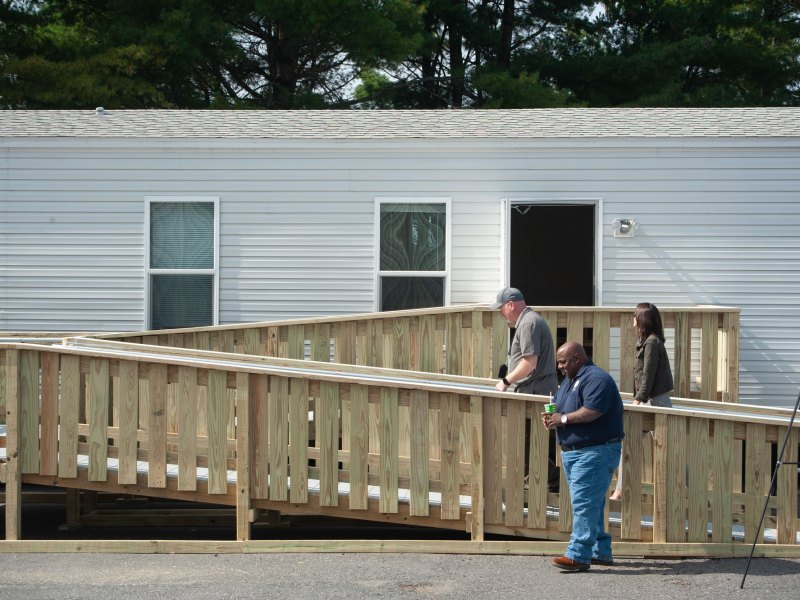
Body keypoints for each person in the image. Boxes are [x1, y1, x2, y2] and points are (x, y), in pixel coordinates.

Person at [541, 341, 624, 571]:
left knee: (584, 503)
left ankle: (578, 554)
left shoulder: (597, 379)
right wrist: (553, 417)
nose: (560, 366)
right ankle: (601, 551)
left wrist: (564, 419)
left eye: (563, 361)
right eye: (558, 362)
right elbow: (561, 409)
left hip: (594, 451)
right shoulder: (569, 382)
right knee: (592, 504)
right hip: (577, 453)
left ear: (578, 358)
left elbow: (592, 411)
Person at [491, 287, 559, 490]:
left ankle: (537, 491)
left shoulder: (528, 324)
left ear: (511, 305)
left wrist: (506, 381)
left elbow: (530, 363)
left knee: (531, 445)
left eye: (501, 309)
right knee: (539, 444)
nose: (501, 314)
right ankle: (547, 487)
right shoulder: (529, 321)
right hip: (542, 394)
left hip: (536, 395)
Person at [609, 302, 674, 501]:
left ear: (642, 319)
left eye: (635, 315)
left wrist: (637, 401)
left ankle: (690, 494)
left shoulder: (652, 343)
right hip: (650, 402)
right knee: (627, 443)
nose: (633, 319)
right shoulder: (648, 342)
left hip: (656, 403)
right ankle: (620, 491)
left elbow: (648, 375)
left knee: (670, 451)